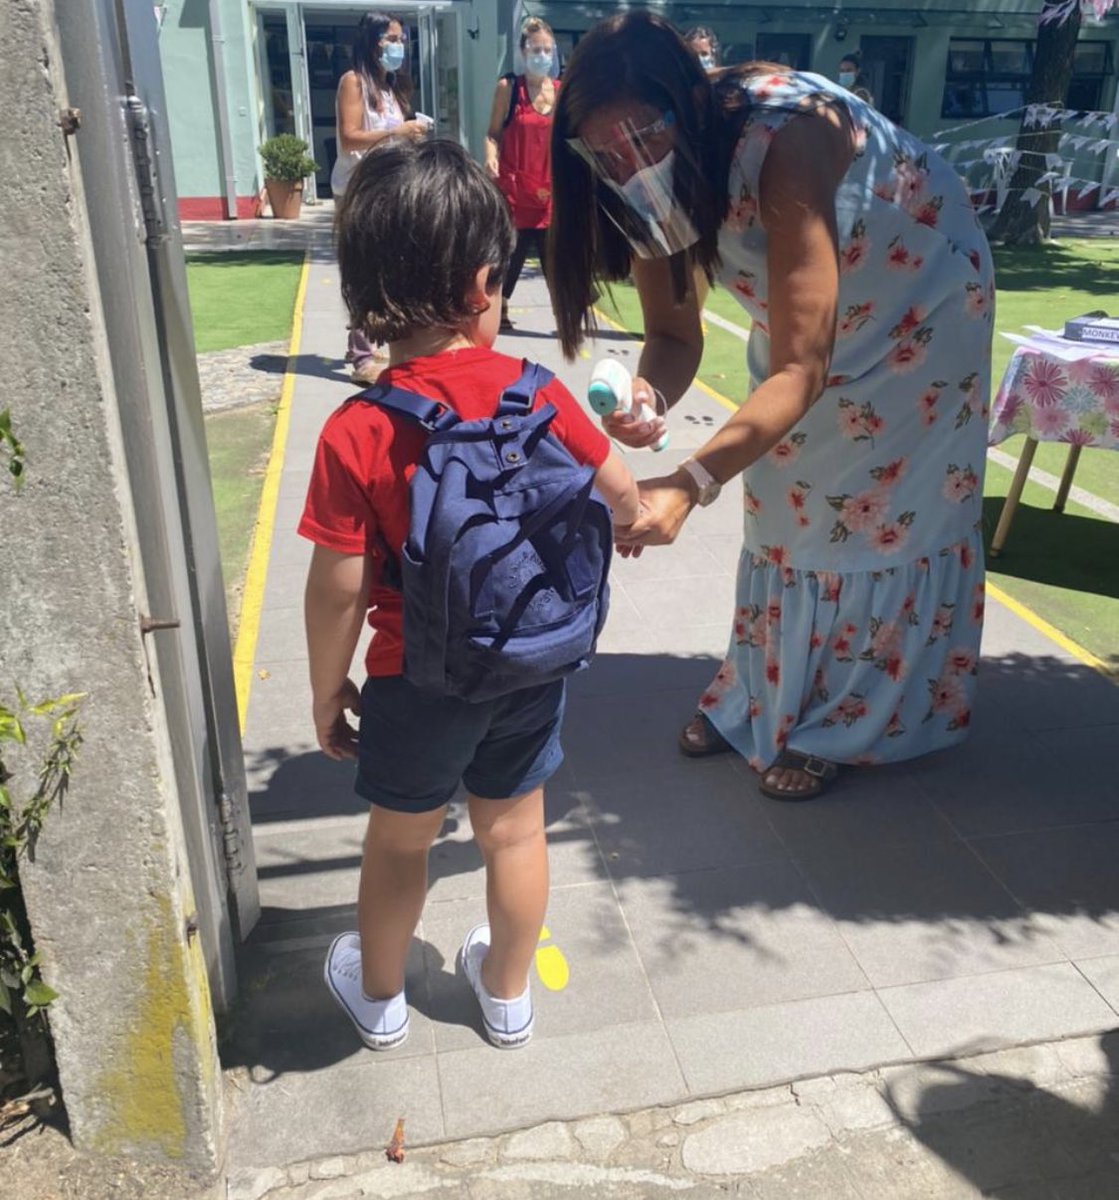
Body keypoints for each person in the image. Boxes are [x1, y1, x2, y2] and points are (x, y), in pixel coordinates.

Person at [548, 12, 994, 800]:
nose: (631, 162)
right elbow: (674, 336)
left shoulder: (788, 140)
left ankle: (849, 719)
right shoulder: (631, 170)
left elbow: (798, 365)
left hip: (921, 300)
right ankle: (760, 695)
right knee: (787, 501)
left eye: (646, 138)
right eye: (606, 151)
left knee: (877, 511)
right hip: (817, 317)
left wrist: (687, 485)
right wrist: (649, 397)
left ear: (684, 108)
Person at [301, 139, 639, 1050]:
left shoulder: (359, 428)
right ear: (484, 283)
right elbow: (619, 493)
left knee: (400, 842)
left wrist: (328, 689)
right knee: (515, 835)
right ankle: (505, 995)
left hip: (417, 678)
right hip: (530, 663)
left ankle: (377, 1001)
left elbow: (337, 586)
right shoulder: (539, 393)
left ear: (365, 292)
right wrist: (644, 510)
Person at [331, 12, 429, 384]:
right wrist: (396, 132)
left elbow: (391, 134)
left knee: (386, 267)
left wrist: (409, 135)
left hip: (386, 187)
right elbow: (350, 137)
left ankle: (370, 338)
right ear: (373, 42)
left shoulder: (389, 88)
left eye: (401, 39)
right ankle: (361, 356)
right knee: (361, 270)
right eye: (392, 39)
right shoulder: (353, 82)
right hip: (357, 188)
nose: (398, 46)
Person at [484, 19, 560, 332]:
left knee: (554, 256)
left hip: (549, 191)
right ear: (522, 51)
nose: (541, 55)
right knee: (510, 253)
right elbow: (492, 133)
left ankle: (564, 316)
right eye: (535, 49)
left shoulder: (561, 91)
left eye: (547, 49)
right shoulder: (509, 88)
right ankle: (498, 308)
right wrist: (491, 159)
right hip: (514, 188)